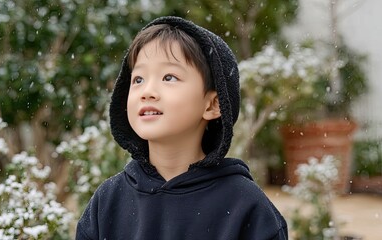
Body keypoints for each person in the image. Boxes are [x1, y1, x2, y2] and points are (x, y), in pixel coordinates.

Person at [76, 16, 288, 240]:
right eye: (138, 79)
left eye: (169, 77)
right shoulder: (108, 201)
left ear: (213, 104)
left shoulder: (245, 205)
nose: (147, 91)